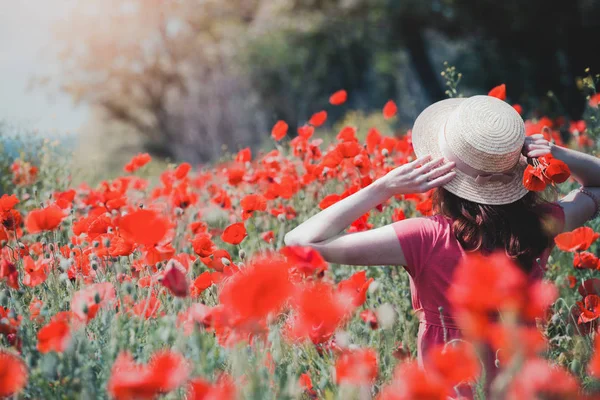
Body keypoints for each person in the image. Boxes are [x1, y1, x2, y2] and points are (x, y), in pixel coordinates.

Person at [284, 95, 600, 390]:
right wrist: (553, 152)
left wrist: (384, 187)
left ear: (441, 172)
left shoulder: (425, 236)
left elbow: (300, 242)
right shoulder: (542, 223)